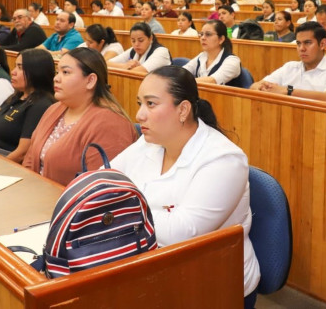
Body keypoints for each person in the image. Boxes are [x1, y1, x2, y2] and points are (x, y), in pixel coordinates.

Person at [110, 66, 260, 305]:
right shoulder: (148, 142)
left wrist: (118, 211)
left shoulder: (224, 159)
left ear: (183, 110)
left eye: (151, 104)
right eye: (140, 103)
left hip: (212, 282)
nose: (139, 115)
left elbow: (183, 232)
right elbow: (103, 181)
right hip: (151, 267)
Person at [23, 48, 136, 185]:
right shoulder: (55, 109)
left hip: (73, 203)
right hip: (36, 193)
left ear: (90, 81)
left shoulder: (111, 124)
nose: (56, 78)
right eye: (57, 72)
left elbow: (102, 187)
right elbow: (30, 157)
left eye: (65, 72)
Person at [0, 49, 55, 161]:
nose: (13, 72)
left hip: (5, 163)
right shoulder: (16, 95)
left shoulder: (41, 105)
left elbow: (22, 153)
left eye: (20, 68)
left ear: (36, 72)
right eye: (15, 66)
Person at [250, 22, 326, 103]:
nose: (302, 49)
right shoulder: (290, 67)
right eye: (298, 43)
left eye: (307, 43)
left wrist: (287, 91)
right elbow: (254, 87)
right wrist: (263, 88)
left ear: (322, 44)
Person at [183, 20, 241, 85]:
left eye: (208, 34)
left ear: (221, 39)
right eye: (201, 34)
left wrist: (184, 81)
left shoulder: (232, 61)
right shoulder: (202, 56)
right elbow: (183, 72)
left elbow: (212, 80)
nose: (202, 38)